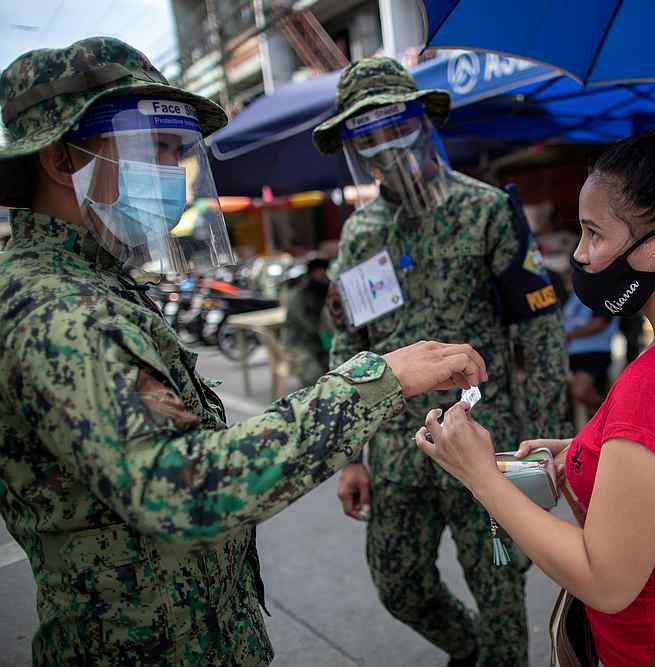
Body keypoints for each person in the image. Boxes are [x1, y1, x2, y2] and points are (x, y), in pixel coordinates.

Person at [0, 38, 487, 666]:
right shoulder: (58, 309)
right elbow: (180, 485)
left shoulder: (95, 282)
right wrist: (378, 380)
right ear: (63, 158)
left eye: (181, 153)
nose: (172, 174)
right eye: (157, 149)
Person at [415, 89, 655, 667]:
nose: (579, 255)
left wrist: (482, 477)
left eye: (593, 234)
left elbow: (604, 581)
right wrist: (587, 452)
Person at [312, 57, 571, 667]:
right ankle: (469, 650)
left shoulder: (485, 211)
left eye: (392, 126)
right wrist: (350, 455)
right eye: (365, 135)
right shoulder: (360, 234)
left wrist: (539, 449)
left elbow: (539, 336)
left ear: (422, 123)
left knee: (503, 598)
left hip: (486, 440)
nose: (383, 146)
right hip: (401, 450)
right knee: (398, 583)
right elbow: (348, 345)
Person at [563, 290, 620, 416]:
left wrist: (569, 335)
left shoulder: (602, 292)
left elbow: (600, 323)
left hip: (595, 351)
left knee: (580, 392)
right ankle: (604, 420)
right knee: (581, 396)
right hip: (575, 353)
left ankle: (613, 416)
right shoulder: (576, 293)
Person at [283, 257, 334, 385]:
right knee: (314, 376)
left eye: (325, 273)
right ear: (311, 274)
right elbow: (311, 325)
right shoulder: (299, 296)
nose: (323, 277)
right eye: (320, 273)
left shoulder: (324, 291)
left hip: (318, 343)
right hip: (299, 344)